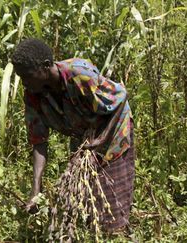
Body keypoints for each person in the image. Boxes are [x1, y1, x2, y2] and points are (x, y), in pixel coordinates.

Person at [11, 38, 135, 232]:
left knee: (111, 200)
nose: (24, 83)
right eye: (21, 77)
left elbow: (119, 99)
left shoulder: (79, 75)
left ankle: (117, 233)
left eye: (27, 76)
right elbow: (39, 141)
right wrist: (36, 189)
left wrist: (100, 140)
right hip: (84, 138)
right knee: (85, 200)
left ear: (45, 66)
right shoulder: (33, 95)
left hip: (113, 132)